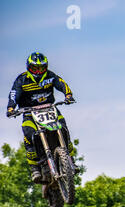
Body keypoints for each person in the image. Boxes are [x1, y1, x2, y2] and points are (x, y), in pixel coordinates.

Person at [6, 51, 78, 183]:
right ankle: (34, 168)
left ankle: (70, 159)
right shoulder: (21, 80)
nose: (38, 71)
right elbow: (14, 94)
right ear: (29, 67)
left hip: (50, 109)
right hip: (29, 114)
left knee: (63, 128)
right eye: (35, 68)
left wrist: (68, 95)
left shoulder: (50, 76)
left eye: (41, 68)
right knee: (29, 134)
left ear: (46, 67)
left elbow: (61, 83)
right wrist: (11, 108)